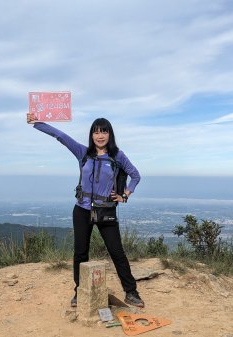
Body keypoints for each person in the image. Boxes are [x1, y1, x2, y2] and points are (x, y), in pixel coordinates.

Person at [26, 113, 145, 308]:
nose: (100, 136)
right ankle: (79, 291)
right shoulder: (83, 153)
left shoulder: (117, 156)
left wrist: (125, 194)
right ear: (91, 135)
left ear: (110, 134)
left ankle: (131, 292)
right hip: (82, 210)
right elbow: (61, 136)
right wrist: (37, 122)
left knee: (117, 252)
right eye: (96, 132)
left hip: (106, 211)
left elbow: (135, 176)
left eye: (104, 132)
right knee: (81, 253)